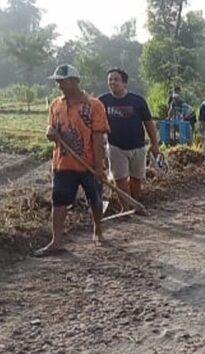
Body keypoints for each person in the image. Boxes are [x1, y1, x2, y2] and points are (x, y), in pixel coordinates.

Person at [36, 64, 110, 257]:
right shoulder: (56, 105)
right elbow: (51, 130)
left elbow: (98, 138)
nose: (59, 85)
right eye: (58, 81)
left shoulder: (94, 105)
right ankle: (56, 241)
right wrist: (50, 134)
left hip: (89, 164)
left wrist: (99, 166)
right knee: (59, 200)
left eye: (63, 81)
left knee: (95, 199)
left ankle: (98, 231)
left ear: (75, 81)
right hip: (63, 163)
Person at [99, 68, 160, 210]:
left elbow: (149, 124)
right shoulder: (102, 102)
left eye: (116, 79)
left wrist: (154, 144)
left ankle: (134, 204)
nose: (112, 82)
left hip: (138, 146)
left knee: (136, 179)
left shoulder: (137, 101)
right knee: (120, 179)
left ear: (124, 83)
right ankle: (125, 208)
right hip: (115, 147)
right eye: (110, 80)